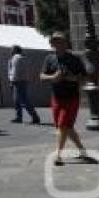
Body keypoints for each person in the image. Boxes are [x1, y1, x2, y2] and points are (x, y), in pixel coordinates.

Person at [39, 32, 91, 166]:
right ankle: (82, 149)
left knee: (63, 125)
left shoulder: (74, 59)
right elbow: (42, 76)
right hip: (56, 97)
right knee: (66, 127)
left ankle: (58, 155)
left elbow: (85, 77)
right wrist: (53, 77)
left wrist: (74, 78)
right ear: (52, 44)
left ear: (66, 43)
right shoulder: (49, 59)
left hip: (71, 98)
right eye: (55, 42)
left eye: (61, 41)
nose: (58, 44)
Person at [8, 45, 40, 124]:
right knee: (18, 100)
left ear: (15, 50)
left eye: (12, 50)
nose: (11, 51)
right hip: (23, 80)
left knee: (23, 100)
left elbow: (15, 70)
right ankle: (19, 117)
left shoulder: (16, 58)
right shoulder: (23, 57)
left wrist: (12, 81)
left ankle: (34, 117)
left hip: (18, 81)